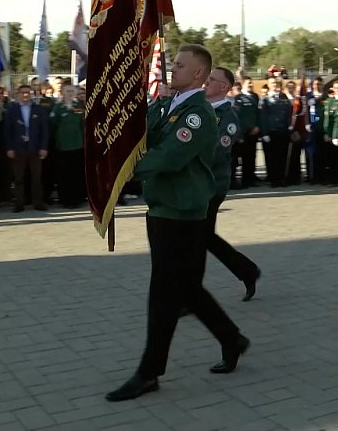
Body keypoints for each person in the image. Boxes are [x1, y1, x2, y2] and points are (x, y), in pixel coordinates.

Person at [107, 45, 249, 402]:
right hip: (163, 208)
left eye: (181, 65)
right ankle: (231, 339)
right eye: (174, 63)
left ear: (199, 74)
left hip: (181, 214)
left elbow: (168, 156)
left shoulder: (198, 114)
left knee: (164, 294)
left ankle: (149, 372)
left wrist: (121, 172)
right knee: (185, 288)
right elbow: (148, 133)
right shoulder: (174, 105)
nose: (174, 69)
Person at [203, 66, 261, 300]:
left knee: (198, 236)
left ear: (224, 87)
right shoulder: (199, 108)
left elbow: (216, 151)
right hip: (195, 184)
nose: (205, 82)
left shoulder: (228, 117)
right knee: (200, 236)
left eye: (211, 79)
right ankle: (246, 270)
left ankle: (246, 270)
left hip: (211, 185)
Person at [49, 84, 85, 208]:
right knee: (64, 174)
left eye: (72, 91)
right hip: (63, 146)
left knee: (77, 173)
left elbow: (82, 124)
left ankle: (77, 198)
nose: (70, 93)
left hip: (77, 144)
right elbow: (52, 124)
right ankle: (65, 199)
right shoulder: (58, 107)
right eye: (67, 91)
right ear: (63, 93)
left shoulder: (78, 106)